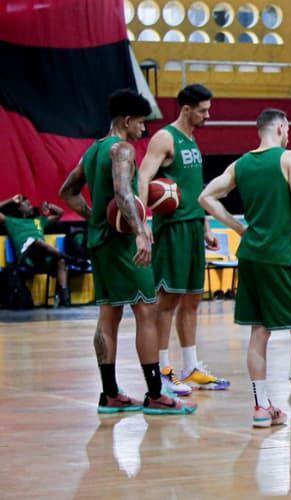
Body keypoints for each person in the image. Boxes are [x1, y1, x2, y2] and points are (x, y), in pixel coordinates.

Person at [199, 109, 291, 430]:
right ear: (280, 127)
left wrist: (237, 227)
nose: (289, 134)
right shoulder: (289, 158)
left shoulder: (241, 164)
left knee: (259, 331)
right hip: (278, 257)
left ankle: (261, 408)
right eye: (289, 128)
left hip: (249, 255)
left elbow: (206, 196)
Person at [58, 88, 196, 415]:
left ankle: (109, 394)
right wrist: (139, 233)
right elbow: (122, 191)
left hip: (100, 242)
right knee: (146, 310)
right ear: (127, 120)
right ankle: (155, 394)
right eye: (141, 124)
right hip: (122, 246)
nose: (144, 130)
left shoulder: (92, 152)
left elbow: (67, 191)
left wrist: (96, 218)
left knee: (109, 314)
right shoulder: (122, 149)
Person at [137, 83, 228, 396]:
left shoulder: (191, 139)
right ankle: (162, 371)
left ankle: (190, 367)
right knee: (168, 300)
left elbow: (193, 187)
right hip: (171, 228)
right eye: (202, 110)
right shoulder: (165, 137)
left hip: (192, 226)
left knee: (192, 300)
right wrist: (142, 221)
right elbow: (143, 177)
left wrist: (205, 226)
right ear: (186, 109)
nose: (208, 114)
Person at [0, 195, 72, 306]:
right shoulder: (11, 221)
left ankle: (64, 299)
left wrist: (49, 205)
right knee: (36, 242)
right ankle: (70, 258)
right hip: (27, 258)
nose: (30, 206)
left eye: (30, 204)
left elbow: (60, 213)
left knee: (61, 261)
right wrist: (11, 200)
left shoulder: (38, 221)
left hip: (42, 258)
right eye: (26, 204)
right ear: (18, 208)